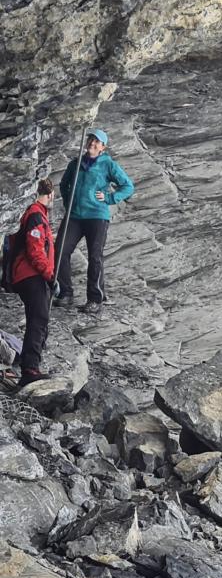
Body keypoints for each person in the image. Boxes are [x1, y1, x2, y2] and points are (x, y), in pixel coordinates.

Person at [56, 128, 134, 314]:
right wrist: (69, 203)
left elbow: (128, 186)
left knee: (94, 257)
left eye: (97, 141)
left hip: (97, 216)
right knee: (59, 250)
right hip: (74, 216)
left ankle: (95, 299)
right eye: (91, 139)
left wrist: (109, 198)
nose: (92, 143)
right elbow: (64, 184)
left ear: (103, 147)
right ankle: (66, 293)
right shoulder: (76, 163)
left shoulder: (108, 164)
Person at [11, 178, 57, 387]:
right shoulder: (36, 215)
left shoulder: (36, 215)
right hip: (30, 275)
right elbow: (35, 250)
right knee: (38, 318)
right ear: (50, 195)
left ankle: (32, 364)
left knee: (40, 318)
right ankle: (29, 369)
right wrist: (49, 275)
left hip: (28, 275)